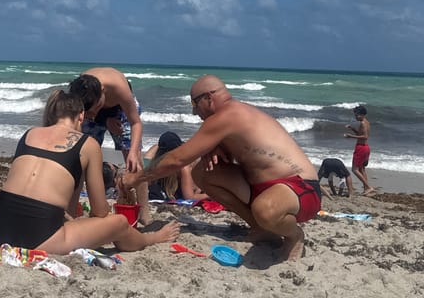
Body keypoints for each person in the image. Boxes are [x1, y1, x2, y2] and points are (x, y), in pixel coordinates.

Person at [122, 75, 321, 261]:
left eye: (194, 104)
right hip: (264, 187)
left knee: (266, 210)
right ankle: (261, 227)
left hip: (300, 188)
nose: (194, 112)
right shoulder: (231, 116)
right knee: (202, 173)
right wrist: (213, 147)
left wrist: (135, 178)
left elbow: (177, 159)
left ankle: (294, 235)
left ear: (208, 98)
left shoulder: (228, 115)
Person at [0, 90, 179, 254]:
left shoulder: (29, 133)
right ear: (80, 115)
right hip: (39, 240)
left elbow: (25, 191)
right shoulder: (87, 143)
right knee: (118, 222)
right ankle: (151, 239)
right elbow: (100, 212)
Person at [68, 68, 151, 224]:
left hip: (121, 110)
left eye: (95, 108)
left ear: (102, 91)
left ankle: (144, 214)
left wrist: (133, 152)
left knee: (135, 163)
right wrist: (103, 120)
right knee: (80, 159)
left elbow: (136, 123)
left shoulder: (119, 87)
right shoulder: (82, 88)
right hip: (98, 112)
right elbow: (82, 118)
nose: (92, 113)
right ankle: (72, 210)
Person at [144, 132, 208, 202]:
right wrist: (210, 196)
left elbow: (153, 149)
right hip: (172, 192)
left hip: (165, 189)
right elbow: (189, 197)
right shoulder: (183, 167)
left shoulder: (154, 161)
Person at [344, 105, 374, 195]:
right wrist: (352, 129)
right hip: (366, 148)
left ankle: (368, 187)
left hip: (361, 148)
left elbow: (365, 137)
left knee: (354, 169)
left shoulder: (363, 123)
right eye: (355, 115)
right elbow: (361, 134)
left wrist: (350, 136)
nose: (356, 117)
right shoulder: (366, 122)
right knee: (362, 169)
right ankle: (366, 189)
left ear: (362, 115)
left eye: (357, 115)